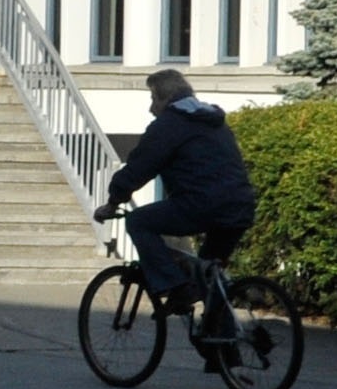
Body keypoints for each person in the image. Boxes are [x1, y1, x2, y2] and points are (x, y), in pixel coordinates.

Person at [103, 66, 256, 347]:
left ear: (164, 98)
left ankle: (173, 284)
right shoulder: (214, 120)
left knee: (138, 221)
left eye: (153, 99)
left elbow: (139, 168)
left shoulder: (169, 125)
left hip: (201, 206)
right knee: (210, 276)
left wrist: (113, 201)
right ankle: (222, 351)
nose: (151, 109)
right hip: (240, 206)